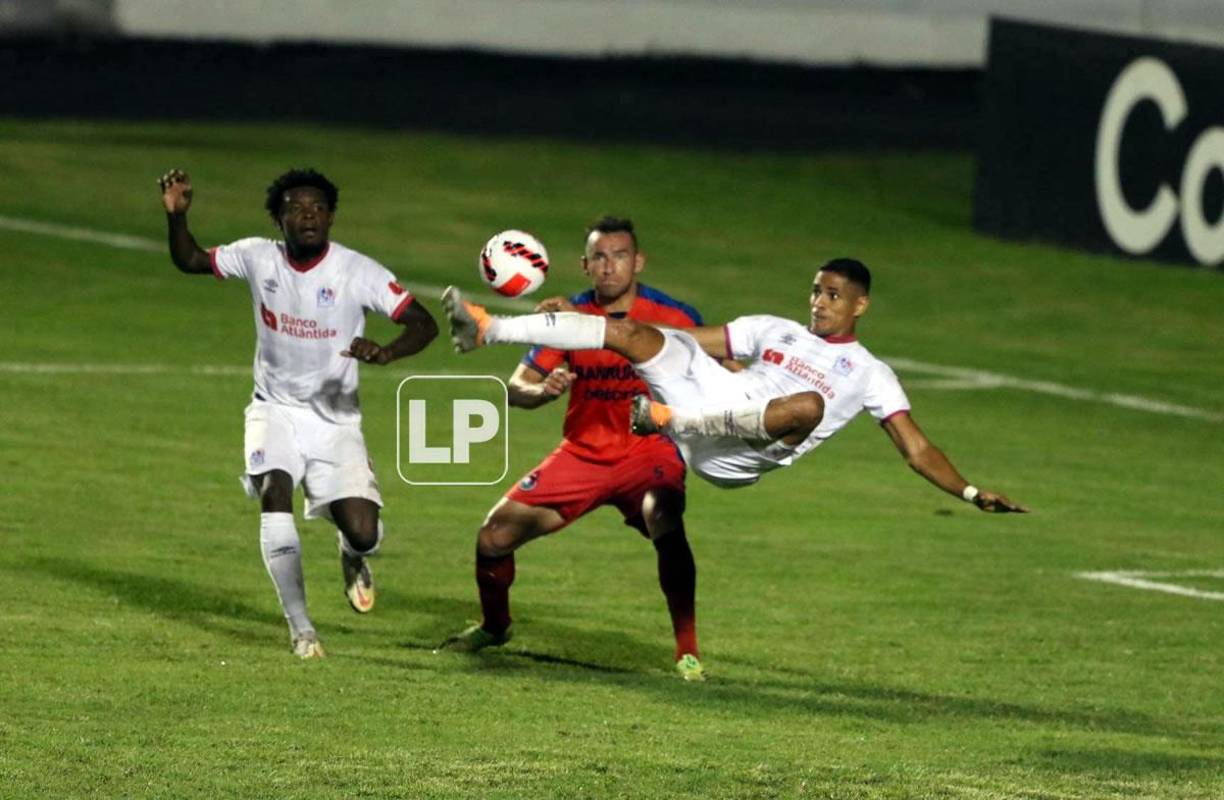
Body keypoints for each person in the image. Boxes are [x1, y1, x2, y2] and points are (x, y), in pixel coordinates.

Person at [442, 257, 1026, 512]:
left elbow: (915, 448)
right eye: (816, 291)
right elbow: (693, 338)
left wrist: (971, 494)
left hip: (738, 454)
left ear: (861, 305)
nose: (819, 303)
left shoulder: (871, 373)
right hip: (712, 402)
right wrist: (584, 320)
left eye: (833, 295)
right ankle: (488, 326)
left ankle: (674, 424)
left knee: (809, 405)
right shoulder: (772, 329)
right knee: (635, 335)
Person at [158, 167, 439, 658]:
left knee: (365, 532)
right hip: (275, 409)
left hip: (336, 421)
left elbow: (423, 322)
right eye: (295, 208)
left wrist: (388, 352)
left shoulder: (357, 271)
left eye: (317, 208)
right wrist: (178, 218)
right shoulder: (256, 257)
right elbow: (190, 260)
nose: (307, 216)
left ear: (331, 217)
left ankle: (353, 554)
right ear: (279, 218)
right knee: (274, 493)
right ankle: (302, 628)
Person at [436, 217, 711, 681]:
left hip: (649, 450)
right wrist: (543, 392)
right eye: (599, 258)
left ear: (638, 261)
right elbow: (516, 386)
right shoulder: (566, 318)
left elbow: (723, 367)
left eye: (620, 256)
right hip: (584, 453)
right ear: (585, 266)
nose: (610, 267)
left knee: (663, 515)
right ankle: (495, 627)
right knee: (493, 537)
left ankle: (688, 651)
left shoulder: (675, 316)